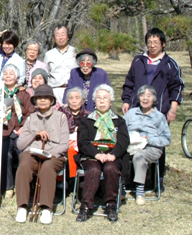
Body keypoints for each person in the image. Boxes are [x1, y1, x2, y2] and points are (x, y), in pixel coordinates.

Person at [121, 27, 183, 192]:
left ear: (163, 44)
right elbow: (129, 83)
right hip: (137, 110)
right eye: (149, 42)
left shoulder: (169, 64)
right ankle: (134, 180)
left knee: (156, 144)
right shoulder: (138, 61)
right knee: (135, 142)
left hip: (160, 111)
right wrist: (127, 101)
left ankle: (157, 180)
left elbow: (177, 87)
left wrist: (173, 108)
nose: (152, 45)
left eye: (156, 42)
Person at [15, 85, 69, 224]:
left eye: (46, 98)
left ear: (52, 100)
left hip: (54, 155)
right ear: (35, 101)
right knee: (24, 165)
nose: (43, 100)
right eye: (39, 98)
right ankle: (22, 206)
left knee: (47, 168)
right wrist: (35, 134)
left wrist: (51, 153)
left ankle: (46, 208)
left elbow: (64, 144)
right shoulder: (31, 118)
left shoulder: (61, 117)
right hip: (33, 153)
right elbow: (20, 145)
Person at [75, 84, 129, 222]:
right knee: (93, 169)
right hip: (91, 156)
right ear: (94, 101)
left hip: (113, 156)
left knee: (111, 168)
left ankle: (111, 204)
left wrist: (113, 155)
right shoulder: (86, 121)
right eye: (99, 98)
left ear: (111, 101)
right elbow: (83, 142)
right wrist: (97, 154)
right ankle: (86, 207)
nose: (102, 100)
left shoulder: (119, 121)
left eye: (105, 98)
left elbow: (123, 142)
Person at [0, 64, 34, 199]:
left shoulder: (23, 93)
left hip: (19, 130)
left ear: (17, 77)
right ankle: (8, 187)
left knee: (24, 154)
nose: (8, 76)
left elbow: (30, 112)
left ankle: (24, 185)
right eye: (5, 74)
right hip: (1, 131)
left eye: (11, 74)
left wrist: (23, 127)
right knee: (5, 155)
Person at [123, 85, 171, 205]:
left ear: (154, 99)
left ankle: (139, 193)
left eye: (148, 96)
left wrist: (149, 139)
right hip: (131, 145)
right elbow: (120, 130)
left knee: (139, 156)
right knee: (119, 153)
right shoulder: (131, 113)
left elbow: (166, 140)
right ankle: (121, 189)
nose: (145, 98)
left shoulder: (159, 117)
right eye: (142, 95)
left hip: (151, 148)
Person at [60, 87, 91, 178]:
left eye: (77, 98)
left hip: (83, 144)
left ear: (82, 101)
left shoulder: (88, 115)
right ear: (67, 101)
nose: (74, 101)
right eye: (71, 98)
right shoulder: (61, 113)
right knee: (70, 149)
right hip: (64, 142)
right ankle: (71, 178)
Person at [44, 25, 77, 103]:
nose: (60, 37)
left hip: (73, 90)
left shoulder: (75, 52)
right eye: (57, 35)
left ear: (68, 36)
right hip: (55, 91)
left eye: (63, 34)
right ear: (54, 38)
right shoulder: (49, 54)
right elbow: (46, 74)